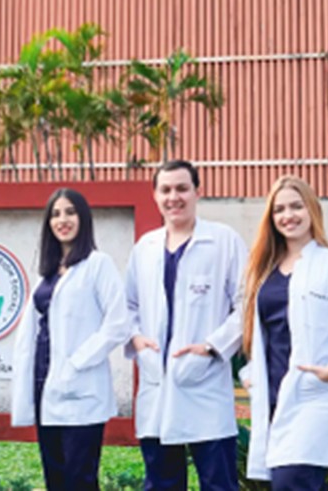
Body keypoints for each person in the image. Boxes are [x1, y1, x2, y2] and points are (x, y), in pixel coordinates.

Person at [242, 176, 328, 489]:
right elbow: (257, 333)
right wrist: (250, 373)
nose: (288, 215)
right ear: (271, 218)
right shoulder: (262, 272)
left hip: (313, 393)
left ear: (312, 209)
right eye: (279, 210)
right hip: (271, 395)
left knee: (293, 482)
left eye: (296, 206)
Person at [125, 160, 247, 490]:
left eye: (182, 188)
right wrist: (136, 338)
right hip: (156, 383)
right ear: (155, 195)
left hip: (204, 384)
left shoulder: (223, 241)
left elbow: (246, 305)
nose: (173, 197)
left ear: (198, 192)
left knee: (218, 483)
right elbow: (128, 306)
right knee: (161, 482)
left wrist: (211, 347)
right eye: (165, 189)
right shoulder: (145, 248)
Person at [11, 188, 129, 490]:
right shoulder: (47, 273)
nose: (63, 219)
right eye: (56, 214)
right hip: (44, 387)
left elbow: (118, 323)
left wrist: (78, 362)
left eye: (70, 212)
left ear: (83, 218)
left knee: (80, 479)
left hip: (81, 388)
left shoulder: (97, 264)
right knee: (56, 478)